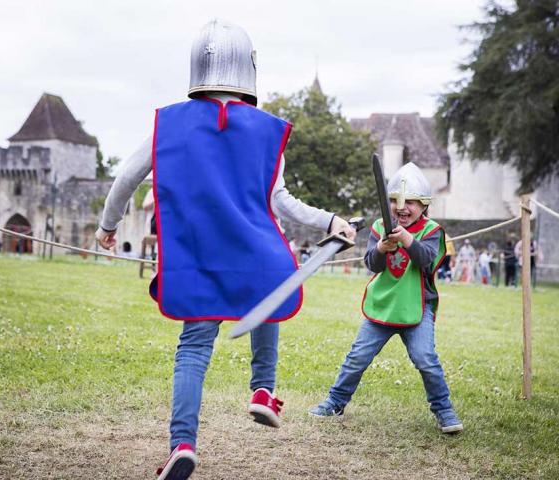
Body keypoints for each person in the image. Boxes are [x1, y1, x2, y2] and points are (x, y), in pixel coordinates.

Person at [95, 20, 355, 480]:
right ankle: (262, 389)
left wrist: (106, 227)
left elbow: (125, 179)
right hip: (256, 255)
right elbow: (281, 201)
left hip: (198, 260)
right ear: (248, 70)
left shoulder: (169, 123)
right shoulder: (267, 131)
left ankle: (182, 445)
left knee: (193, 349)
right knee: (269, 301)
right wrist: (330, 220)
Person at [309, 162, 463, 434]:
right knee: (357, 357)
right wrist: (381, 247)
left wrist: (406, 239)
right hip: (383, 306)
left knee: (426, 358)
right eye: (395, 202)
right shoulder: (381, 226)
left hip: (416, 309)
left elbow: (427, 260)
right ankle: (336, 402)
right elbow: (373, 264)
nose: (402, 208)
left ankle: (444, 410)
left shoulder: (433, 231)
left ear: (424, 206)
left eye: (410, 203)